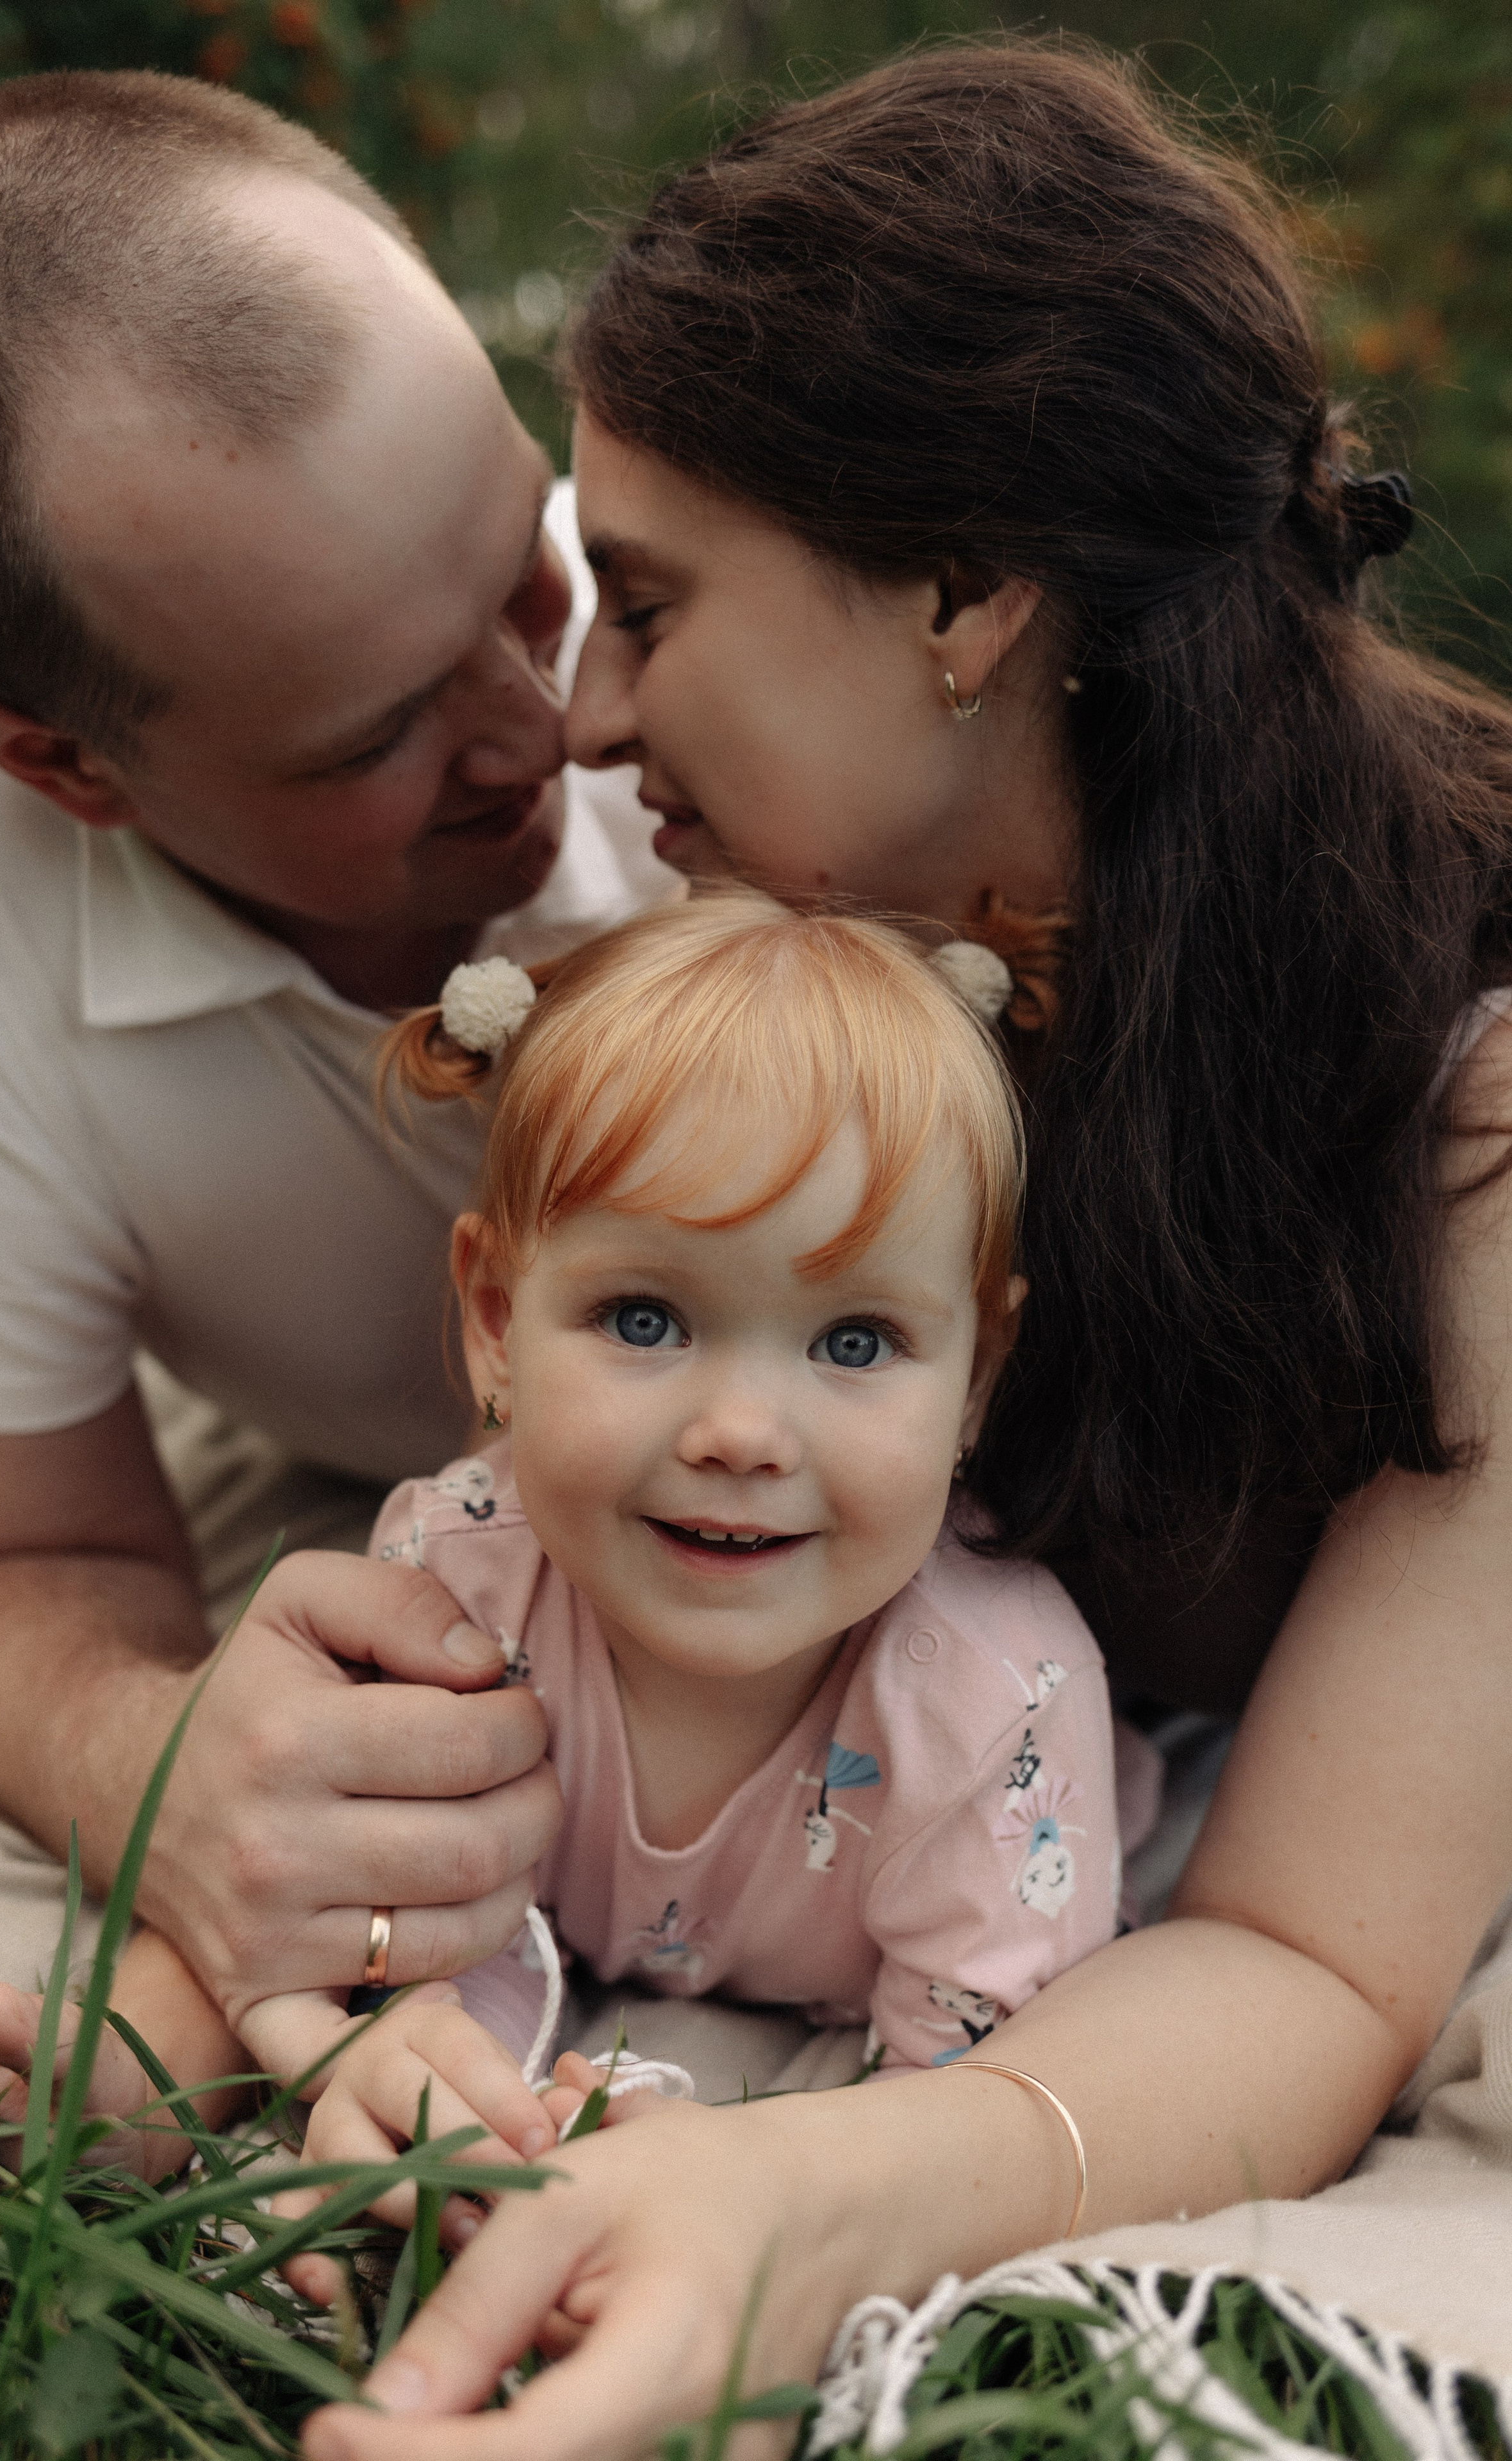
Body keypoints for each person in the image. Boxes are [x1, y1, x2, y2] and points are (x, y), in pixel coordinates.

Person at [290, 39, 1512, 2461]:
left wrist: (800, 2207)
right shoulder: (792, 925)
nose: (590, 721)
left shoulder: (1469, 1087)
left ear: (964, 594)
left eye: (641, 603)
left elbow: (1317, 1944)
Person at [0, 898, 1113, 2221]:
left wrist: (669, 2159)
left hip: (910, 1968)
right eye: (643, 1318)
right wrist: (456, 2083)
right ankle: (109, 2090)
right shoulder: (457, 1578)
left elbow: (946, 2119)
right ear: (492, 1323)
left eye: (855, 1342)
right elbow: (382, 1904)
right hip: (534, 1932)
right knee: (256, 1928)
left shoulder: (996, 1711)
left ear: (977, 1376)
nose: (742, 1434)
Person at [0, 71, 671, 2012]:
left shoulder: (731, 640)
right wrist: (151, 1765)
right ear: (58, 764)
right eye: (373, 734)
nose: (548, 721)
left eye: (528, 572)